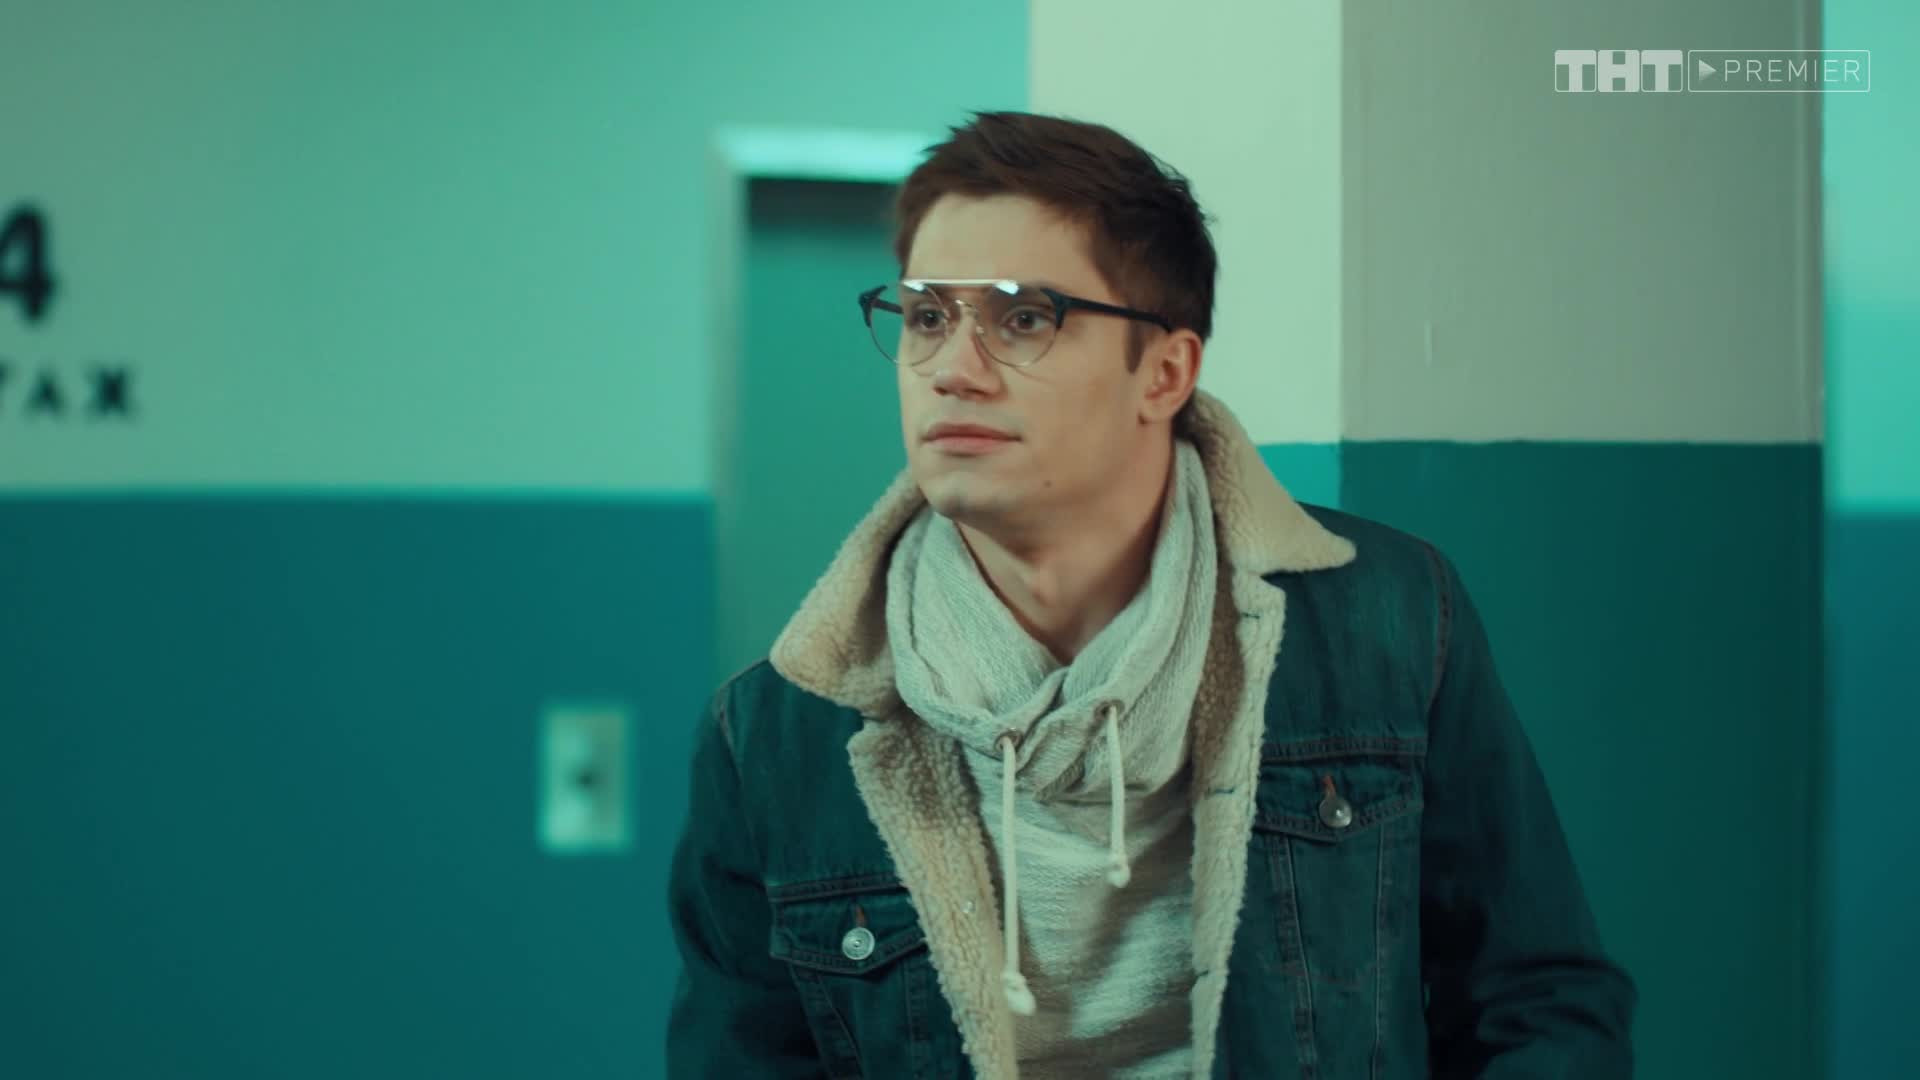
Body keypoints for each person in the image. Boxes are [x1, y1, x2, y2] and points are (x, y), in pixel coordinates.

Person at [666, 110, 1635, 1079]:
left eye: (1023, 318)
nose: (952, 370)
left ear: (1165, 373)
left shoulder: (1385, 622)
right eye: (927, 317)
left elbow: (1539, 1002)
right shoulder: (776, 736)